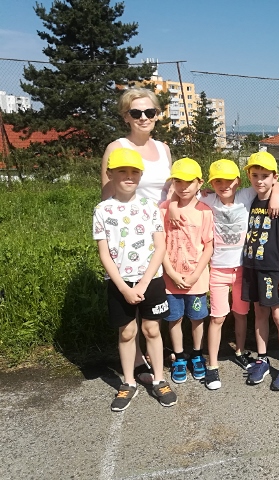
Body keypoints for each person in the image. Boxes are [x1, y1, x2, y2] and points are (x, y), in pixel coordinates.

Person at [93, 148, 177, 411]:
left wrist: (143, 283)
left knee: (152, 330)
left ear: (140, 176)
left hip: (151, 280)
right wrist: (124, 288)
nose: (129, 177)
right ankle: (128, 382)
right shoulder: (102, 210)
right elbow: (104, 254)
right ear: (110, 174)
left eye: (134, 172)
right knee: (127, 332)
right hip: (120, 283)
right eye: (122, 171)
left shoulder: (150, 207)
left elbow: (160, 247)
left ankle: (159, 379)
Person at [101, 87, 173, 384]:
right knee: (132, 301)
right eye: (136, 112)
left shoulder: (164, 149)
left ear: (158, 115)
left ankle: (165, 351)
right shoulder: (116, 148)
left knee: (157, 295)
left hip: (162, 232)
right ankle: (139, 359)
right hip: (130, 238)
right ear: (125, 116)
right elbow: (107, 197)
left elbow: (171, 190)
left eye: (149, 112)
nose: (143, 117)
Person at [196, 159, 279, 390]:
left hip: (243, 269)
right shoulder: (208, 199)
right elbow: (181, 192)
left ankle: (240, 351)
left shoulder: (245, 195)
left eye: (228, 181)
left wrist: (275, 197)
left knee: (241, 314)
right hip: (219, 270)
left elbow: (274, 182)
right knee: (217, 318)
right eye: (218, 181)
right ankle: (212, 366)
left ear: (238, 181)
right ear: (211, 183)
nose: (224, 185)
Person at [241, 152, 279, 391]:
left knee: (278, 315)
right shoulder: (250, 199)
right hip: (252, 266)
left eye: (265, 176)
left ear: (275, 177)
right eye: (255, 175)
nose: (260, 180)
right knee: (259, 312)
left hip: (273, 270)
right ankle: (262, 359)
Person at [159, 158, 213, 386]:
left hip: (196, 279)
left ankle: (197, 354)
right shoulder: (163, 209)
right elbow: (160, 244)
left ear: (199, 183)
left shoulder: (205, 211)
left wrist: (195, 274)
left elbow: (209, 246)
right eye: (178, 181)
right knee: (174, 318)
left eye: (189, 182)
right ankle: (179, 357)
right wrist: (171, 273)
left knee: (197, 318)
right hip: (170, 279)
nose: (183, 187)